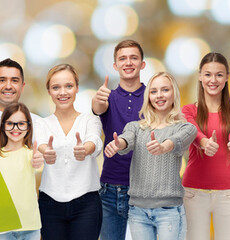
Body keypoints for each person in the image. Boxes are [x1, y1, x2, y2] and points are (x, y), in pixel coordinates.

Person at [104, 72, 196, 240]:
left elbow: (178, 140)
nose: (159, 95)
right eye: (154, 91)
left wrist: (164, 146)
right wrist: (119, 144)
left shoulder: (184, 127)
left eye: (165, 90)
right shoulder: (136, 127)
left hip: (169, 210)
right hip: (138, 211)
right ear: (148, 97)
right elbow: (127, 139)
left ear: (174, 93)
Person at [181, 52, 230, 240]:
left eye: (219, 74)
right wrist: (203, 142)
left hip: (229, 195)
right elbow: (191, 130)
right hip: (193, 194)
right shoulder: (188, 111)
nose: (213, 80)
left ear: (227, 77)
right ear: (200, 76)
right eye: (208, 74)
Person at [34, 64, 103, 239]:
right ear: (49, 91)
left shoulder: (90, 120)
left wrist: (85, 150)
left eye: (69, 86)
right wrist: (45, 151)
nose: (62, 92)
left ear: (77, 88)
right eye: (56, 87)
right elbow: (41, 143)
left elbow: (94, 141)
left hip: (87, 203)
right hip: (49, 203)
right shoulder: (41, 123)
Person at [92, 40, 146, 240]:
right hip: (110, 191)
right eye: (122, 58)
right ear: (115, 66)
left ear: (142, 64)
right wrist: (97, 100)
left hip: (145, 190)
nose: (128, 62)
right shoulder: (107, 97)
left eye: (134, 57)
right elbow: (98, 108)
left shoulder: (153, 97)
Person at [0, 102, 43, 240]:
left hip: (30, 226)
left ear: (28, 127)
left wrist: (38, 159)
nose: (15, 128)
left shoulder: (31, 155)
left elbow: (37, 162)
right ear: (3, 126)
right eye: (10, 123)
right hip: (1, 228)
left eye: (21, 124)